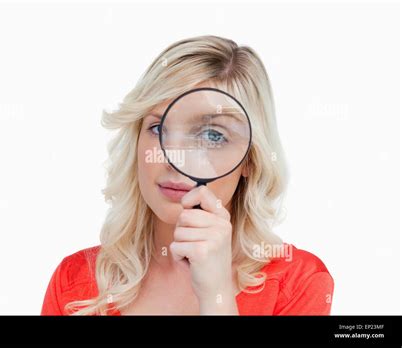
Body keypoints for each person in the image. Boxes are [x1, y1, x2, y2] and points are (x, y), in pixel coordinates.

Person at [41, 35, 334, 316]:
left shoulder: (298, 284)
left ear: (250, 159)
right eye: (159, 129)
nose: (176, 159)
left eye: (212, 135)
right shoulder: (75, 283)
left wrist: (215, 297)